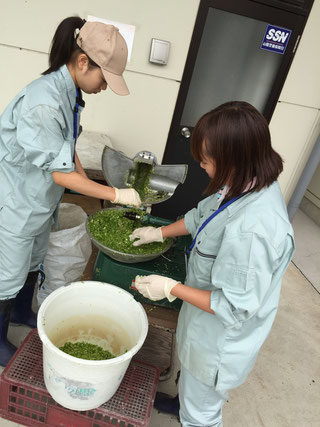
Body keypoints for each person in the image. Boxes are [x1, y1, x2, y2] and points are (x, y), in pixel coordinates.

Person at [130, 101, 295, 426]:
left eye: (206, 160)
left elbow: (232, 306)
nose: (202, 167)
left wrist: (171, 288)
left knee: (201, 415)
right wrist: (158, 232)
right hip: (203, 325)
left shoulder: (253, 231)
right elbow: (201, 215)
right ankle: (184, 400)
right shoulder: (245, 182)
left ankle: (190, 411)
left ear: (234, 160)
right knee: (192, 388)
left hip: (220, 341)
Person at [0, 16, 141, 367]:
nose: (104, 87)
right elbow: (61, 174)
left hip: (39, 201)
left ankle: (21, 313)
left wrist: (93, 185)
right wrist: (115, 196)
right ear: (82, 61)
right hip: (15, 200)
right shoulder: (44, 101)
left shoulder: (68, 93)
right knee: (6, 274)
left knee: (32, 261)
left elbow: (67, 148)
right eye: (104, 78)